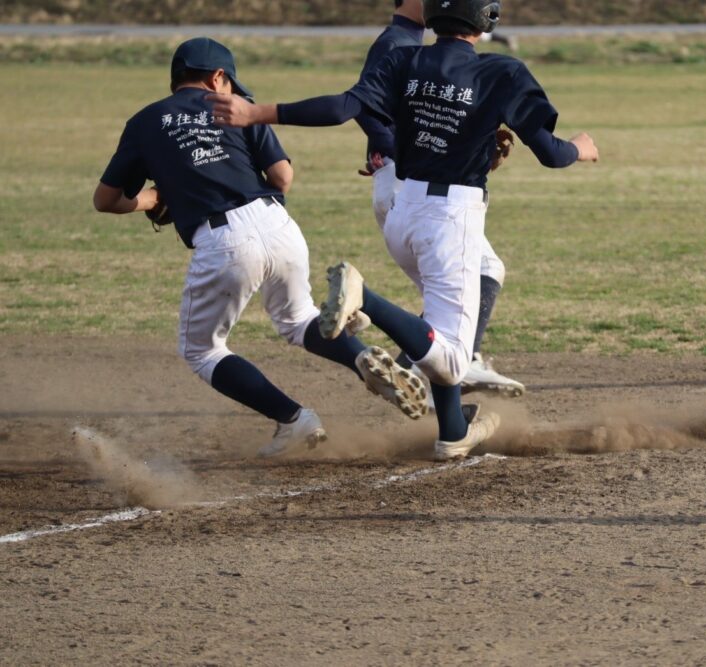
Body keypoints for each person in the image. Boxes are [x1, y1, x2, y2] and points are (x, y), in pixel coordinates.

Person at [209, 0, 599, 460]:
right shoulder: (504, 72)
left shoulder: (403, 58)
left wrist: (258, 113)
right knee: (453, 358)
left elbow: (342, 108)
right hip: (450, 219)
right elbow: (551, 153)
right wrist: (580, 148)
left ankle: (452, 432)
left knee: (437, 327)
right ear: (486, 19)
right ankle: (364, 298)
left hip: (403, 211)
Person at [93, 37, 428, 460]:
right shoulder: (240, 108)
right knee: (299, 319)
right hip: (278, 223)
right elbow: (283, 177)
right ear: (217, 78)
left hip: (223, 239)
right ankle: (359, 358)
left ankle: (293, 419)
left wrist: (151, 199)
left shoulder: (145, 121)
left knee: (202, 349)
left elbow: (105, 200)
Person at [356, 0, 526, 402]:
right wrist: (393, 151)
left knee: (453, 296)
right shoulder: (399, 43)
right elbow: (364, 107)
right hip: (411, 187)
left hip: (409, 184)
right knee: (485, 269)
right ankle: (445, 363)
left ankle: (411, 371)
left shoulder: (412, 42)